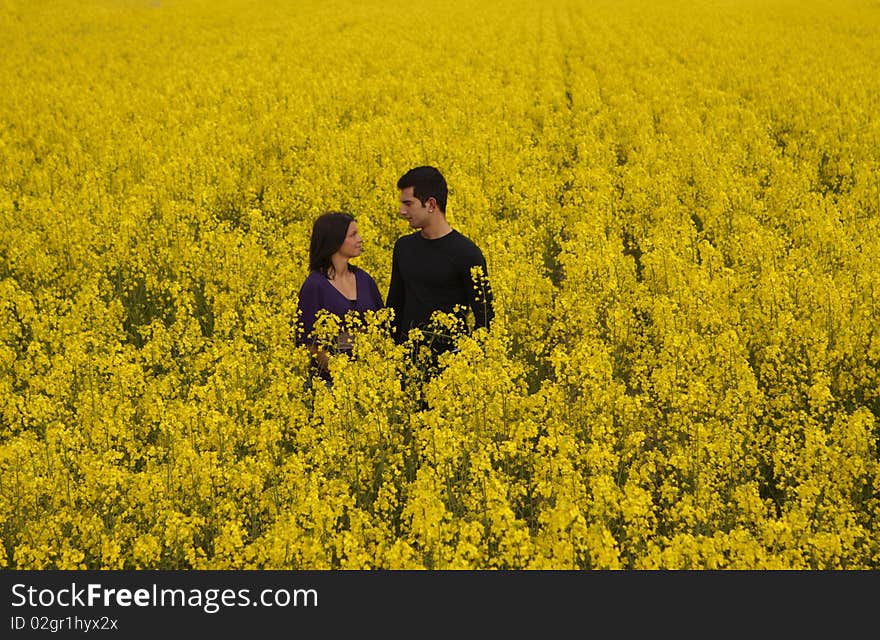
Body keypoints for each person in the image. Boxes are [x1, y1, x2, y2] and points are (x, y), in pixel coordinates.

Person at [386, 165, 494, 361]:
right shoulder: (403, 247)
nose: (402, 211)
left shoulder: (467, 254)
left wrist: (463, 361)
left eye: (408, 204)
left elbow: (485, 319)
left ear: (431, 204)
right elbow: (394, 307)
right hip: (406, 365)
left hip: (450, 371)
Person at [296, 211, 384, 384]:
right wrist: (344, 375)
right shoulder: (315, 286)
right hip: (330, 386)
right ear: (334, 242)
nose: (360, 239)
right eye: (353, 235)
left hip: (371, 381)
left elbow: (381, 327)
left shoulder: (364, 280)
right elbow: (310, 343)